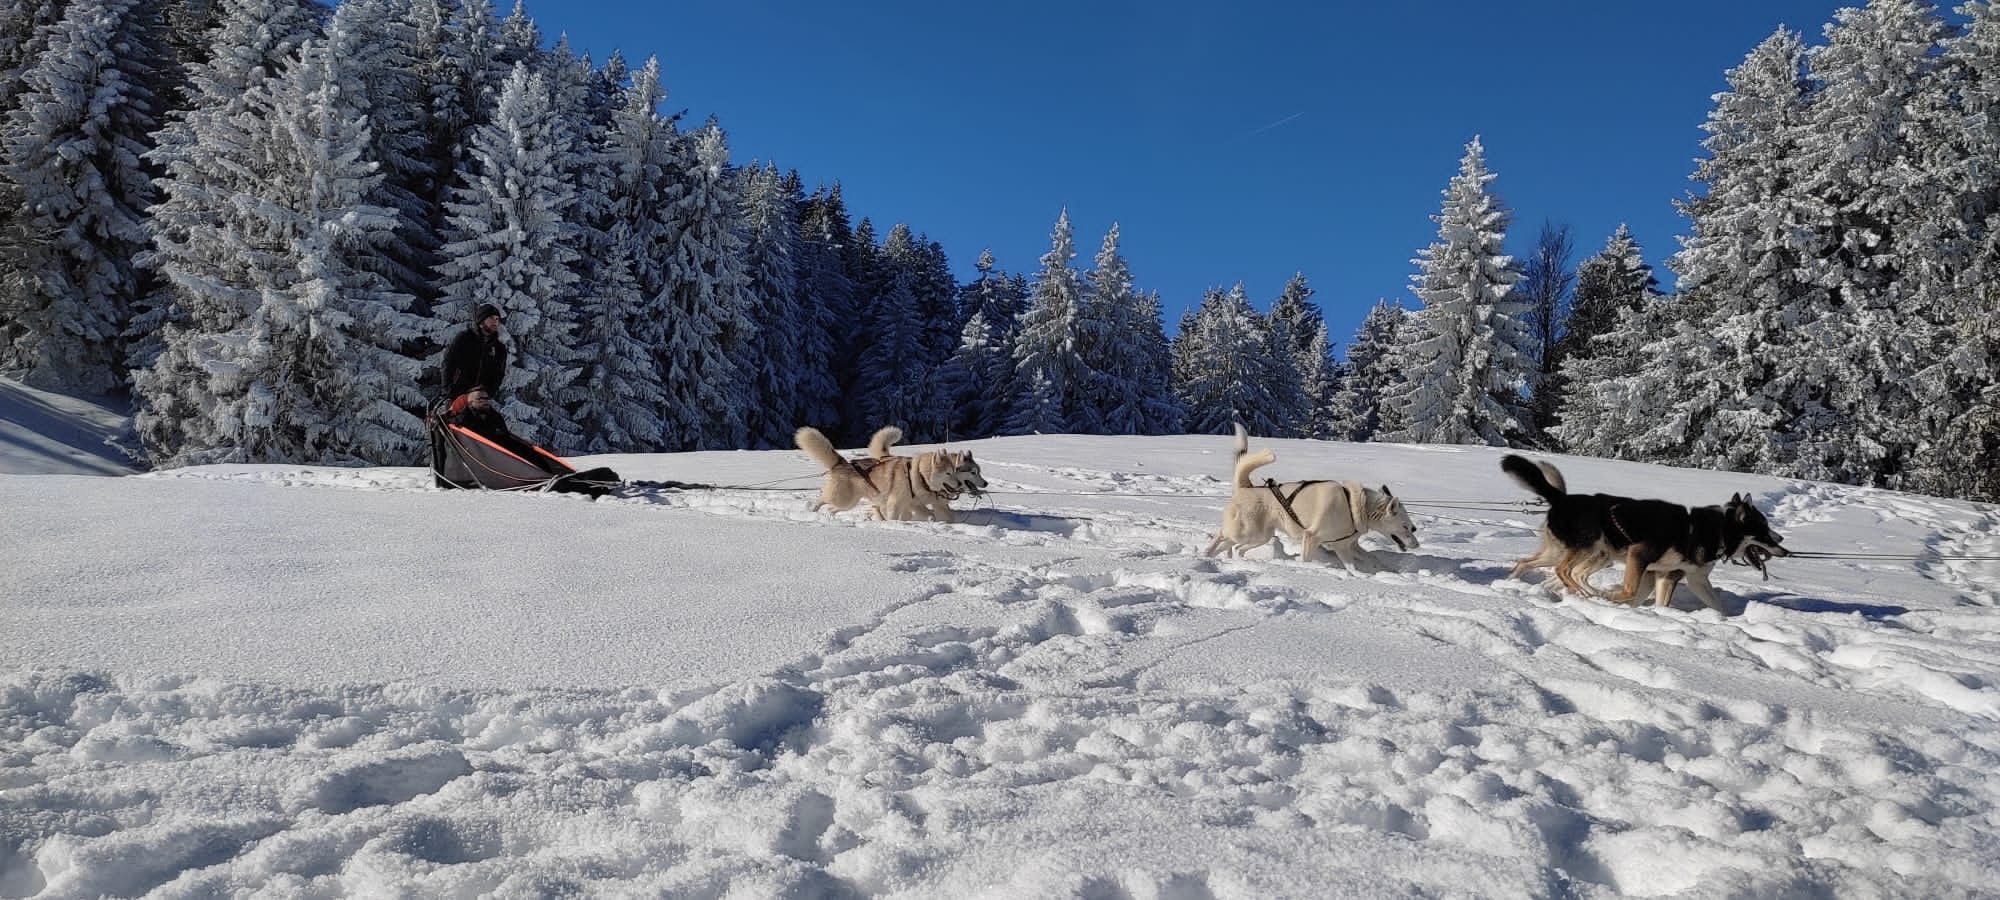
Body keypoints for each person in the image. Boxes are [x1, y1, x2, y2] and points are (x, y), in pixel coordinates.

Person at [447, 387, 569, 477]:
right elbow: (453, 423)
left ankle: (554, 473)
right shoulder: (464, 417)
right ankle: (541, 477)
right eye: (480, 398)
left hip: (501, 446)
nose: (485, 401)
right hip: (485, 453)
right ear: (470, 402)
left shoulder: (494, 415)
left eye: (486, 398)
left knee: (529, 451)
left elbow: (504, 434)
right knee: (518, 461)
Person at [442, 303, 508, 400]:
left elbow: (499, 374)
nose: (495, 322)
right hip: (457, 395)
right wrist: (448, 389)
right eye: (491, 318)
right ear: (481, 321)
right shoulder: (464, 339)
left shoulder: (499, 348)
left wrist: (489, 392)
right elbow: (448, 363)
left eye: (497, 319)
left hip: (480, 398)